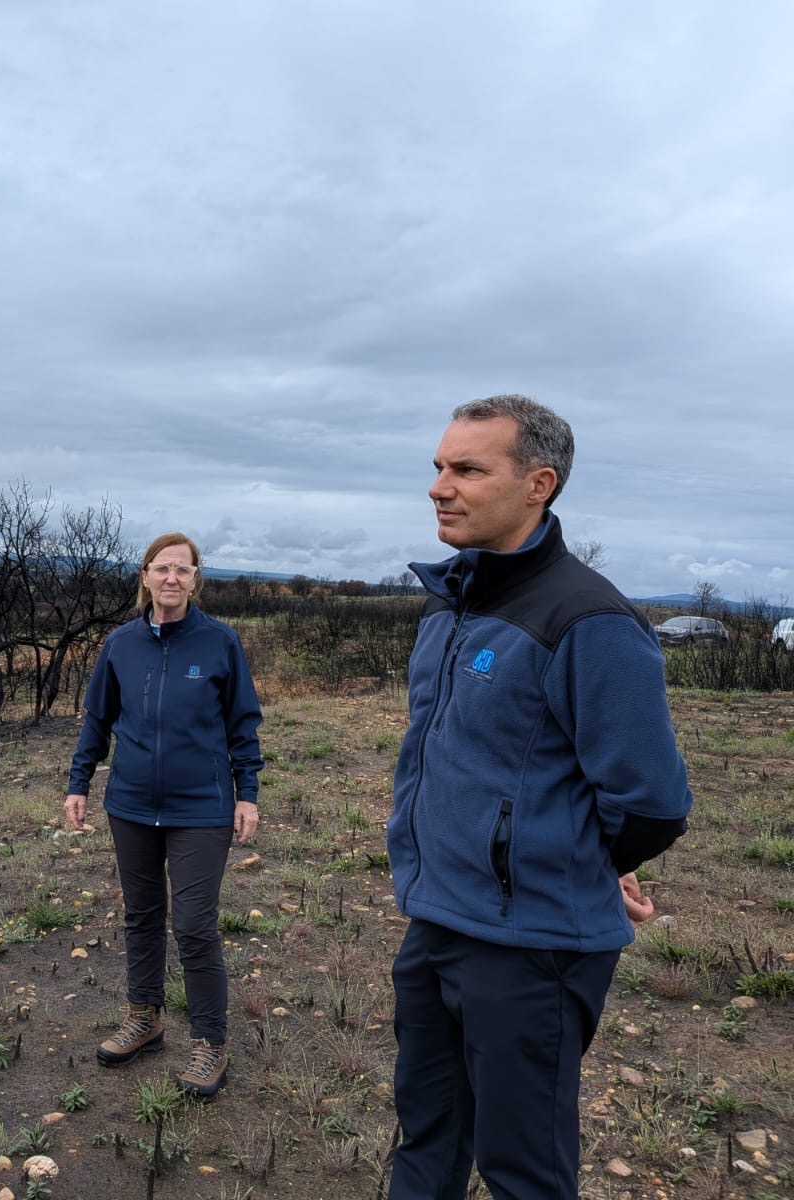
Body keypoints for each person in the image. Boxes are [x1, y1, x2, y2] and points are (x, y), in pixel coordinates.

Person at [386, 395, 693, 1198]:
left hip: (532, 950)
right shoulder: (449, 604)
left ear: (538, 485)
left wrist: (587, 862)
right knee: (425, 1140)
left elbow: (653, 801)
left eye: (466, 469)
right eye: (438, 467)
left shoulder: (590, 620)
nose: (438, 487)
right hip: (437, 919)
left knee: (524, 1172)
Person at [64, 532, 263, 1100]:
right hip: (130, 804)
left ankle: (208, 1042)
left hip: (200, 807)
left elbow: (242, 726)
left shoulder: (220, 643)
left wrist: (246, 792)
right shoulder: (121, 644)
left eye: (184, 569)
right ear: (145, 576)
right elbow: (96, 720)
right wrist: (79, 782)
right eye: (162, 568)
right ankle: (144, 1018)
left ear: (196, 579)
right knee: (141, 916)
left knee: (195, 925)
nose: (172, 578)